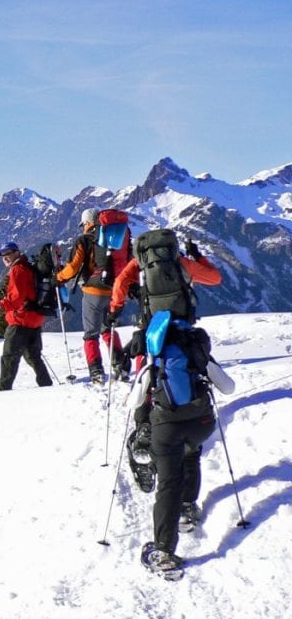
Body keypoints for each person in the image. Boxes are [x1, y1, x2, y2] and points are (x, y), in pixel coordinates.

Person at [108, 236, 222, 571]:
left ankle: (147, 431)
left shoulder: (139, 264)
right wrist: (197, 255)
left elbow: (118, 286)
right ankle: (189, 506)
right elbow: (214, 278)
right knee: (192, 451)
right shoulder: (181, 264)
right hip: (194, 390)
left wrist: (115, 308)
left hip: (153, 337)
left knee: (151, 384)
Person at [54, 208, 127, 384]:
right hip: (114, 289)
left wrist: (58, 278)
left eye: (83, 224)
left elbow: (72, 267)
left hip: (93, 292)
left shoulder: (84, 240)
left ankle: (96, 371)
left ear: (88, 223)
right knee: (108, 328)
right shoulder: (115, 238)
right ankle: (121, 366)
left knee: (91, 334)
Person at [0, 242, 53, 391]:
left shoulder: (17, 270)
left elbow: (16, 297)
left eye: (8, 253)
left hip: (20, 321)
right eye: (2, 255)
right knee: (34, 357)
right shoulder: (29, 267)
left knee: (9, 358)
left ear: (17, 253)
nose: (5, 257)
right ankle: (47, 386)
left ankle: (3, 390)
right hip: (35, 319)